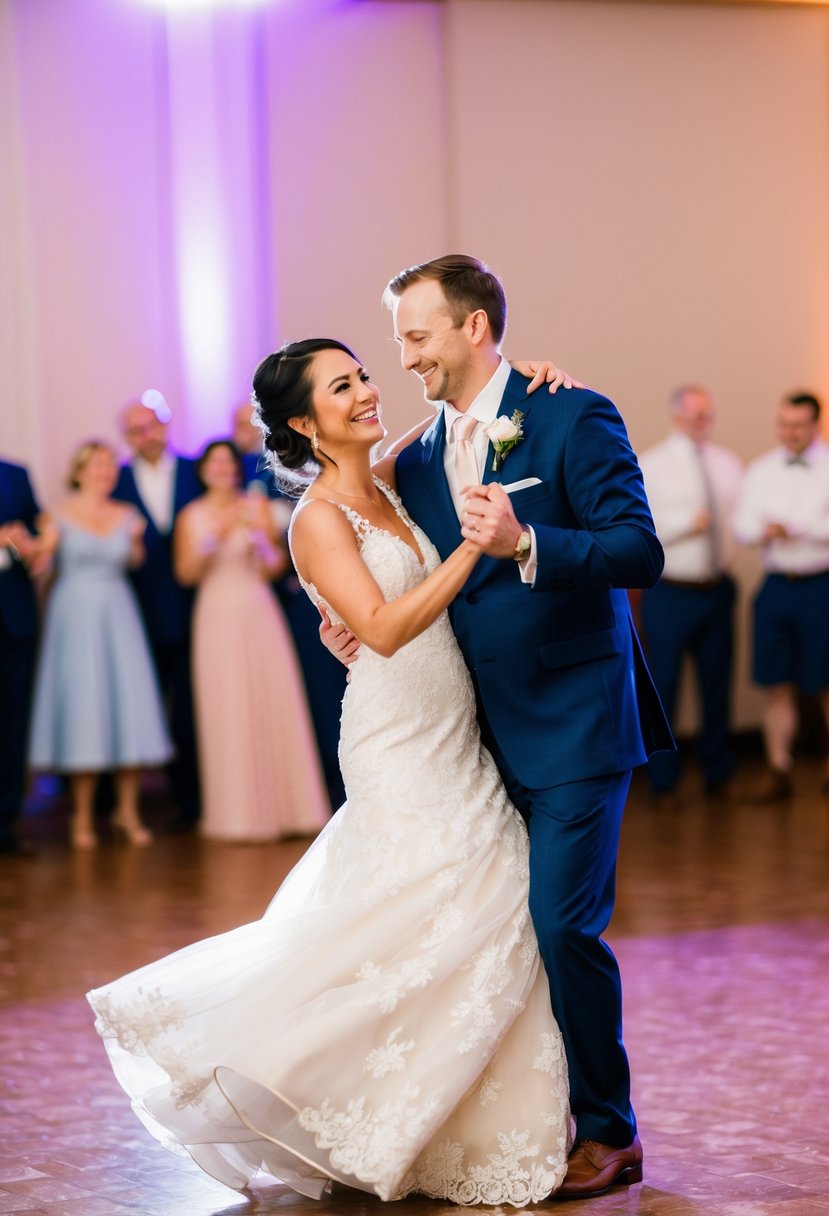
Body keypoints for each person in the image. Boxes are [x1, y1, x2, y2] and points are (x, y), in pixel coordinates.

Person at [87, 343, 577, 1206]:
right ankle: (308, 1080)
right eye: (342, 386)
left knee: (459, 915)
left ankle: (435, 1116)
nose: (366, 391)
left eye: (362, 375)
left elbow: (460, 426)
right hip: (394, 734)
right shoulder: (314, 517)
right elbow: (382, 629)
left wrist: (522, 385)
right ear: (304, 424)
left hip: (450, 725)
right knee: (453, 901)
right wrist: (471, 550)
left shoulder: (385, 479)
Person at [368, 254, 672, 1199]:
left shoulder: (571, 413)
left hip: (578, 721)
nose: (405, 355)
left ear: (472, 328)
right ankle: (513, 1115)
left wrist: (529, 542)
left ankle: (610, 1130)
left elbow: (638, 548)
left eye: (416, 335)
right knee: (491, 934)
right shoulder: (415, 459)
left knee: (561, 926)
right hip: (475, 733)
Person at [173, 439, 329, 841]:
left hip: (258, 609)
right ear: (203, 471)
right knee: (228, 705)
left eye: (228, 462)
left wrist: (261, 540)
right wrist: (217, 533)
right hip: (216, 613)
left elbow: (275, 567)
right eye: (214, 463)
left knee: (271, 698)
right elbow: (186, 574)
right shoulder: (192, 514)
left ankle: (291, 810)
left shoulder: (257, 505)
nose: (222, 469)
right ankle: (236, 814)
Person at [28, 441, 172, 848]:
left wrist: (139, 544)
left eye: (110, 465)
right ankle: (82, 816)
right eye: (96, 465)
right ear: (78, 471)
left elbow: (136, 564)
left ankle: (127, 811)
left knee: (127, 706)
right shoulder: (55, 515)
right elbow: (41, 568)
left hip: (118, 614)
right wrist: (40, 550)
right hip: (72, 617)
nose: (105, 472)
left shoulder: (127, 515)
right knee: (83, 709)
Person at [232, 399, 348, 807]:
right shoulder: (253, 477)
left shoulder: (325, 463)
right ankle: (326, 786)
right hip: (293, 599)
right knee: (314, 695)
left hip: (341, 589)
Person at [638, 385, 744, 806]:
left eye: (709, 415)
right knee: (664, 684)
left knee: (718, 684)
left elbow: (742, 518)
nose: (704, 423)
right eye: (697, 416)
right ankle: (663, 779)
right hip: (671, 591)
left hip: (717, 589)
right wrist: (685, 522)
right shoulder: (652, 464)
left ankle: (718, 771)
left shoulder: (727, 464)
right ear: (677, 416)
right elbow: (641, 529)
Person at [733, 391, 829, 803]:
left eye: (798, 425)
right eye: (784, 424)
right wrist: (763, 531)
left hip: (821, 583)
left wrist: (799, 528)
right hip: (776, 586)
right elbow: (741, 527)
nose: (789, 433)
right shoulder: (762, 470)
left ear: (815, 425)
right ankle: (778, 769)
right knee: (776, 682)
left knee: (826, 682)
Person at [115, 400, 203, 829]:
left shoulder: (195, 471)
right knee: (149, 704)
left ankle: (196, 800)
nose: (143, 436)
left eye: (149, 426)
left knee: (193, 704)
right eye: (133, 431)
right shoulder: (115, 481)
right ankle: (161, 799)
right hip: (139, 615)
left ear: (165, 425)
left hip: (197, 611)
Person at [0, 459, 41, 856]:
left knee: (13, 722)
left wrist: (25, 541)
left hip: (14, 616)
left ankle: (6, 822)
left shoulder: (15, 474)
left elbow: (34, 529)